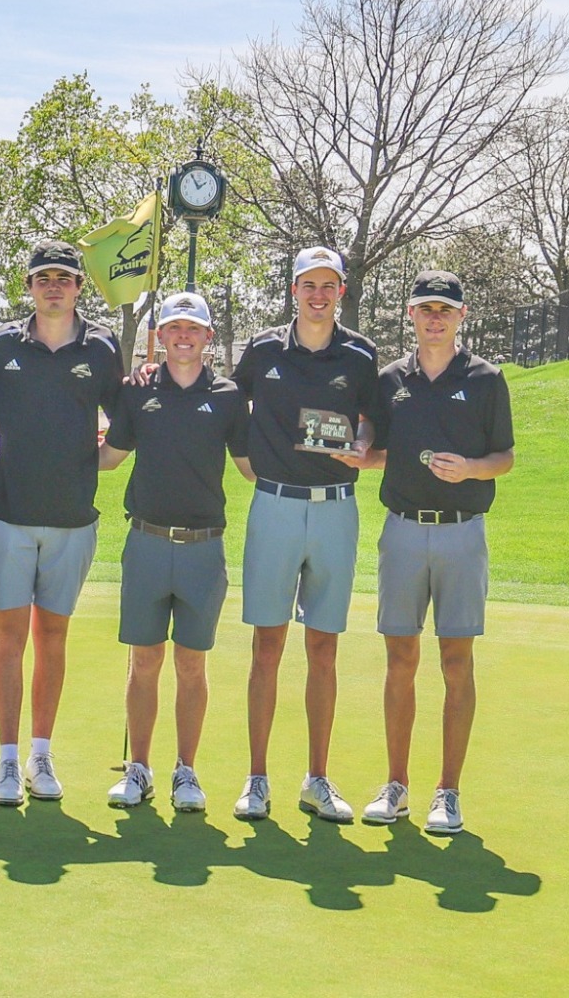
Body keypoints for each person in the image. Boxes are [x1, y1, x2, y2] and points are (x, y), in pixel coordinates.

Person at [356, 271, 514, 835]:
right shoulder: (392, 379)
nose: (435, 318)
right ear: (411, 314)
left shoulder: (487, 379)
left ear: (461, 316)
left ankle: (447, 792)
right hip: (402, 529)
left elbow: (505, 457)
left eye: (445, 310)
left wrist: (471, 468)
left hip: (462, 533)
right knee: (400, 658)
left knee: (456, 660)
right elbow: (380, 447)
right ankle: (396, 786)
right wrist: (357, 452)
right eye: (426, 309)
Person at [229, 246, 379, 823]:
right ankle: (257, 779)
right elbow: (227, 403)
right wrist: (248, 463)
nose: (318, 295)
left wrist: (363, 441)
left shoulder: (361, 354)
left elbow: (370, 418)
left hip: (337, 509)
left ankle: (317, 778)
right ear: (293, 290)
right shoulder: (264, 349)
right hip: (275, 507)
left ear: (341, 291)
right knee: (267, 645)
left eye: (328, 286)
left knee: (324, 646)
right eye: (308, 285)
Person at [0, 239, 121, 805]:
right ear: (30, 287)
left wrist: (100, 458)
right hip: (7, 513)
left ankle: (41, 754)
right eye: (43, 278)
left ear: (79, 286)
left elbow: (123, 419)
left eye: (64, 277)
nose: (53, 286)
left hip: (72, 517)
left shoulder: (104, 348)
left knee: (52, 636)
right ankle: (8, 761)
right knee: (8, 637)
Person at [97, 293, 249, 809]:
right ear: (158, 337)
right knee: (144, 660)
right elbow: (109, 459)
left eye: (194, 329)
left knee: (190, 664)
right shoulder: (138, 394)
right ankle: (139, 769)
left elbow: (251, 465)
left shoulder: (228, 396)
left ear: (208, 337)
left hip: (204, 549)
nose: (184, 337)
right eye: (173, 328)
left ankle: (186, 771)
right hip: (146, 541)